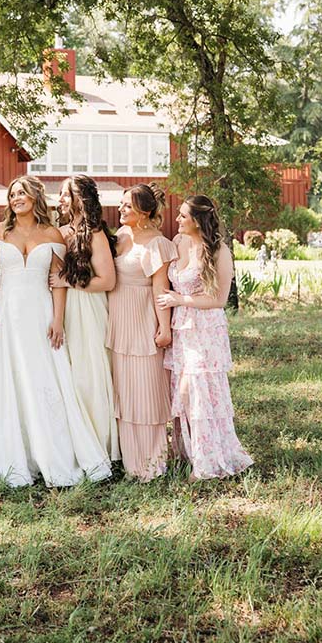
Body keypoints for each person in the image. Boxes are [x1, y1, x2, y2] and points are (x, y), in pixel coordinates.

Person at [0, 176, 111, 488]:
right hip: (9, 316)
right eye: (12, 194)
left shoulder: (51, 233)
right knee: (6, 381)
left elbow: (58, 280)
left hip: (41, 315)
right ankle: (7, 456)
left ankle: (52, 455)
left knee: (46, 381)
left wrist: (58, 320)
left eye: (22, 193)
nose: (16, 198)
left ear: (34, 197)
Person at [158, 195, 253, 480]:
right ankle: (186, 452)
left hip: (205, 330)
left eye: (183, 216)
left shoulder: (218, 251)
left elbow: (219, 299)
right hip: (182, 329)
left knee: (197, 393)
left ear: (198, 220)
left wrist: (180, 299)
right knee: (182, 394)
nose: (177, 220)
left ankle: (208, 461)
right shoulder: (178, 242)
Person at [106, 183, 177, 481]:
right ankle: (129, 459)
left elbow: (161, 289)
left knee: (146, 391)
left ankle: (152, 463)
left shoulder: (158, 244)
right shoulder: (119, 237)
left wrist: (164, 328)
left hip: (143, 321)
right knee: (123, 392)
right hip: (117, 321)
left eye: (128, 206)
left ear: (145, 212)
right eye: (121, 204)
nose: (121, 210)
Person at [49, 175, 119, 462]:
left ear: (80, 198)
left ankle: (97, 443)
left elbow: (107, 280)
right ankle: (73, 442)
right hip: (64, 308)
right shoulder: (60, 231)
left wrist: (69, 283)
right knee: (68, 373)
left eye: (65, 194)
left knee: (89, 374)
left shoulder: (96, 233)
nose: (61, 200)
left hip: (88, 308)